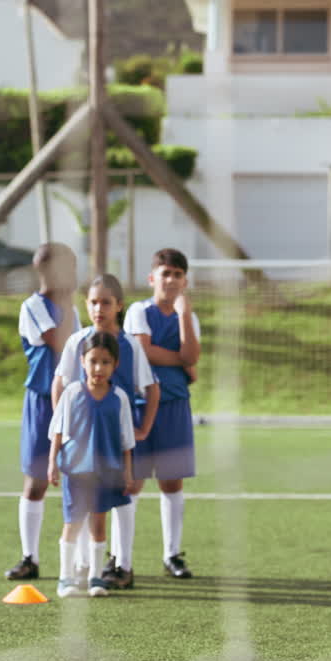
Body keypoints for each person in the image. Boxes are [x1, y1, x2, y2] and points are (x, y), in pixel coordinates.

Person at [51, 274, 158, 590]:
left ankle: (122, 565)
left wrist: (144, 428)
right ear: (86, 304)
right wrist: (64, 424)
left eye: (106, 302)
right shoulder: (77, 341)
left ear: (119, 305)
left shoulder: (131, 346)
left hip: (116, 438)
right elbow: (61, 382)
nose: (99, 308)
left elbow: (152, 389)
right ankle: (83, 565)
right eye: (94, 302)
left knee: (123, 498)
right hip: (82, 441)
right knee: (84, 501)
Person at [5, 242, 80, 581]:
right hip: (41, 401)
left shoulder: (74, 309)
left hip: (75, 400)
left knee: (79, 476)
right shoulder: (34, 306)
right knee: (36, 480)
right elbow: (62, 341)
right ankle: (29, 557)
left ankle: (80, 560)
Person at [124, 248, 200, 580]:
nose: (170, 280)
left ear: (185, 281)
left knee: (172, 481)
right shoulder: (138, 311)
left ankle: (172, 554)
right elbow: (143, 351)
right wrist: (182, 361)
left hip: (175, 404)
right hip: (140, 405)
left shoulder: (189, 316)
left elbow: (193, 353)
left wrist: (184, 317)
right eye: (165, 273)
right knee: (132, 482)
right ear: (152, 277)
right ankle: (120, 558)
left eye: (177, 275)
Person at [47, 331, 138, 598]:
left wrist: (128, 473)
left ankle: (96, 578)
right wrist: (53, 463)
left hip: (107, 473)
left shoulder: (119, 398)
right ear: (82, 361)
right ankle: (66, 578)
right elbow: (59, 431)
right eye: (93, 361)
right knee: (73, 523)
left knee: (98, 526)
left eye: (106, 362)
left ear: (115, 365)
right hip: (76, 472)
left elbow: (126, 440)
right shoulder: (73, 393)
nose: (99, 368)